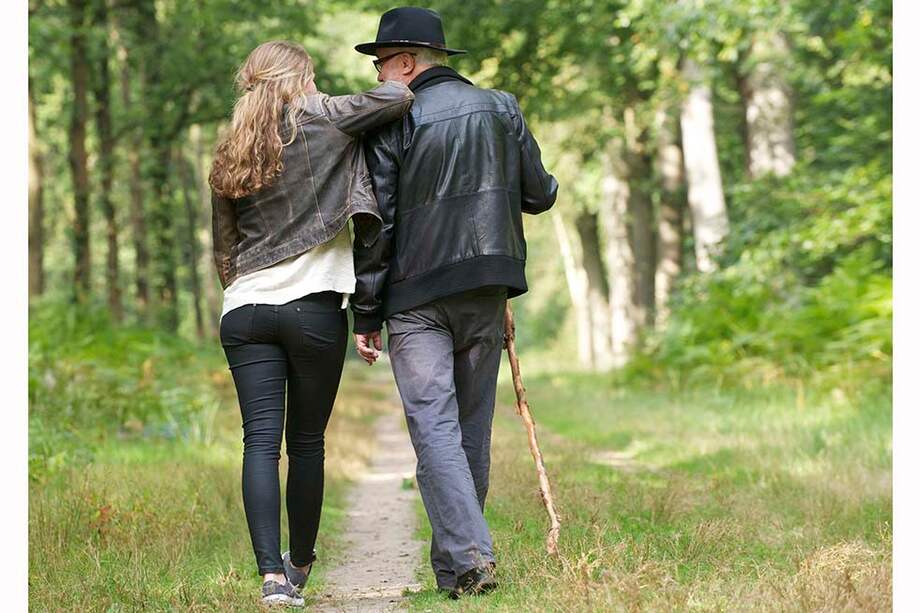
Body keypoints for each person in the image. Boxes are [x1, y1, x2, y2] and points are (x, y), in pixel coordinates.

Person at [350, 7, 559, 600]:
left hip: (417, 294)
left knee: (433, 426)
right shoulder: (502, 107)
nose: (378, 77)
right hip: (489, 284)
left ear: (408, 64)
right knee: (470, 424)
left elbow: (376, 224)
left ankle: (470, 554)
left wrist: (366, 311)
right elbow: (540, 194)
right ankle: (460, 570)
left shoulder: (394, 119)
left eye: (382, 64)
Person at [209, 40, 414, 607]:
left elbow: (224, 250)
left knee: (258, 443)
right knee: (305, 443)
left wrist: (247, 286)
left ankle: (270, 577)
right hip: (313, 308)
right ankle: (299, 566)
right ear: (300, 78)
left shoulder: (230, 150)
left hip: (245, 310)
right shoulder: (324, 117)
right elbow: (395, 97)